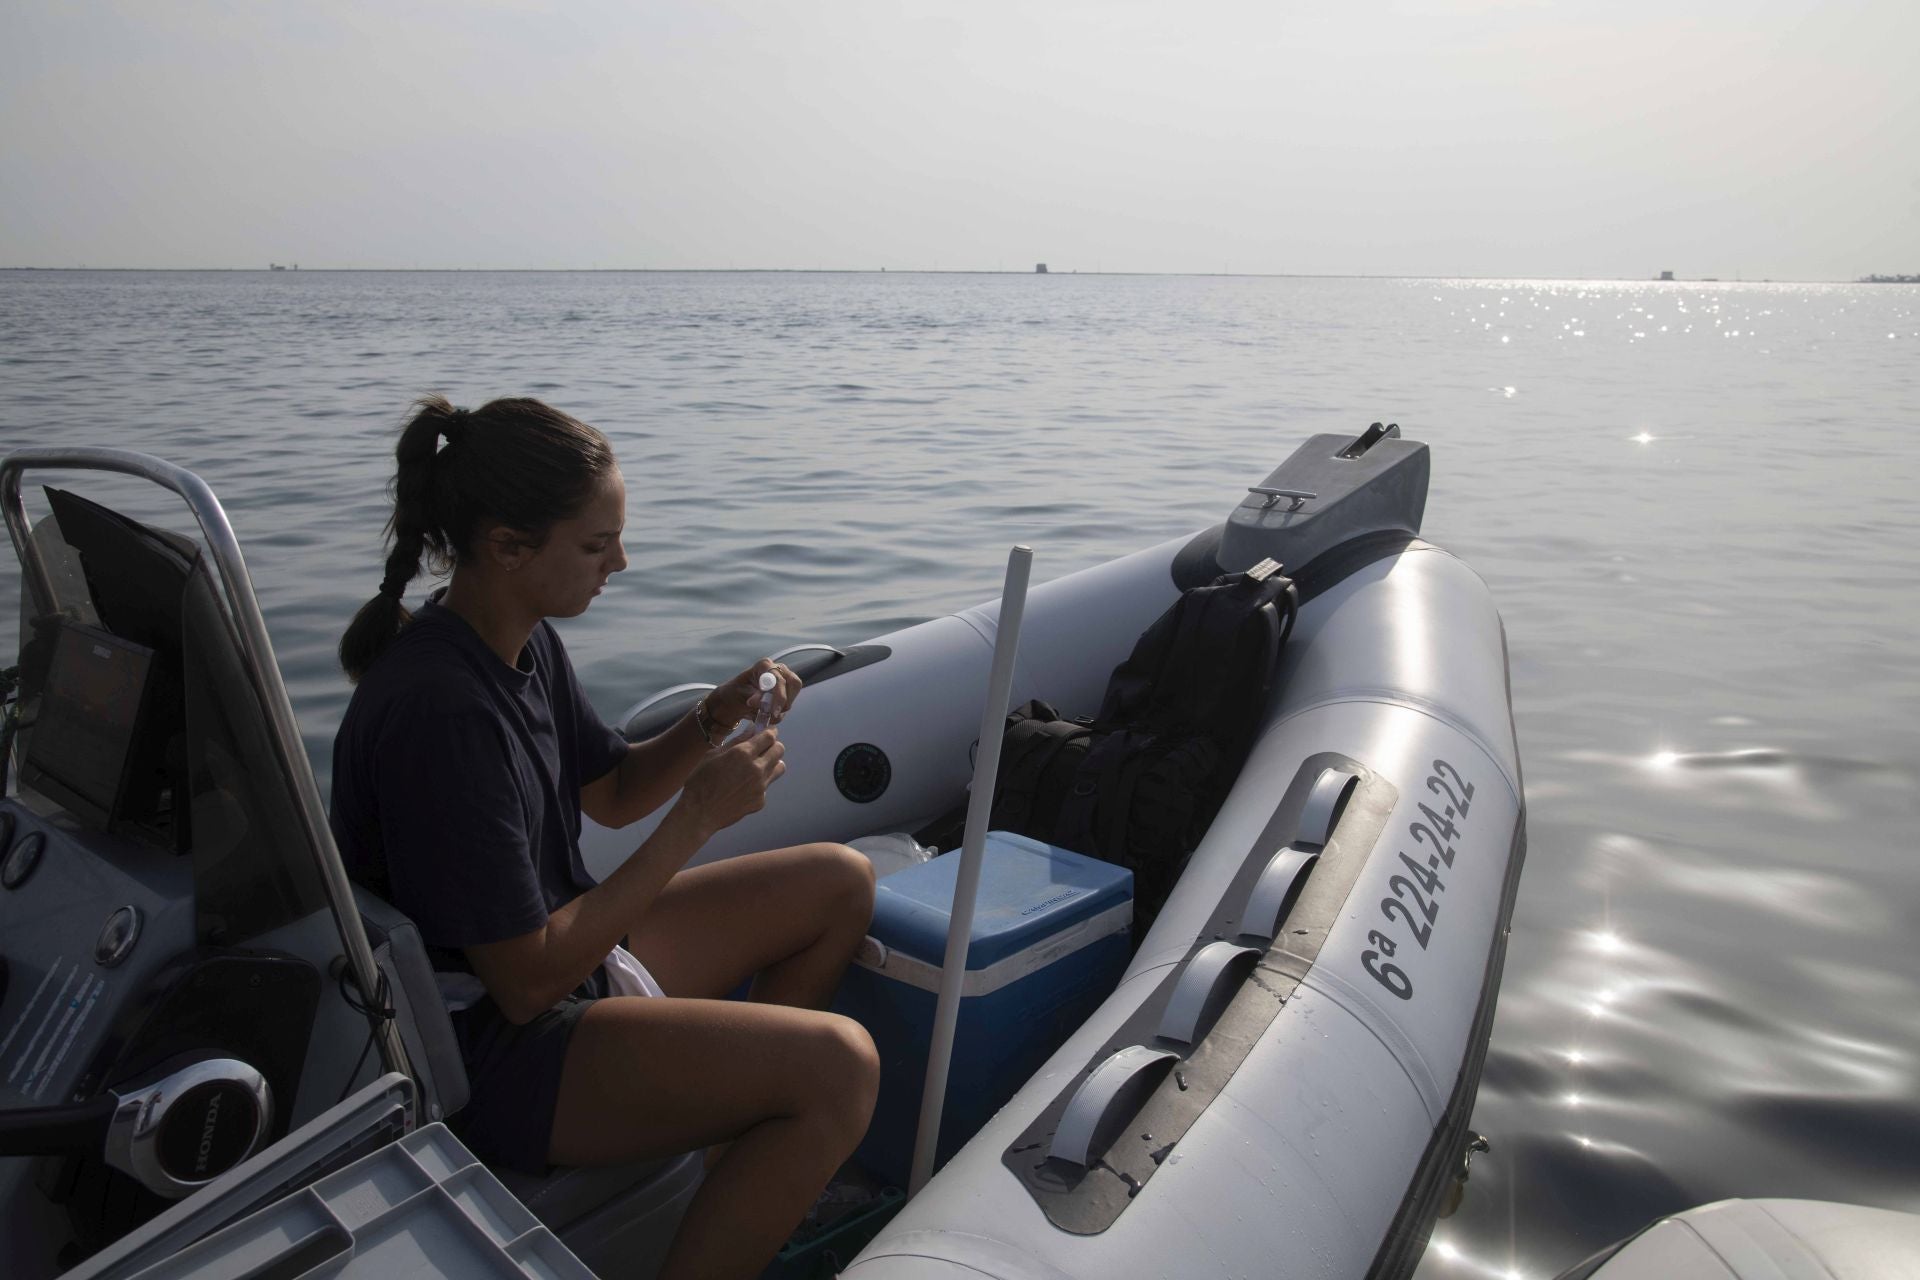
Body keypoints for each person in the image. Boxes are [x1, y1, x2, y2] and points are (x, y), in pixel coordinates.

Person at [329, 395, 879, 1280]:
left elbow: (615, 792)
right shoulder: (444, 714)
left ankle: (727, 1177)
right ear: (508, 545)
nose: (620, 562)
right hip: (487, 1056)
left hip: (557, 972)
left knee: (840, 883)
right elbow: (524, 983)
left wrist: (717, 712)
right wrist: (697, 820)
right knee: (840, 1071)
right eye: (595, 545)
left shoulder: (518, 639)